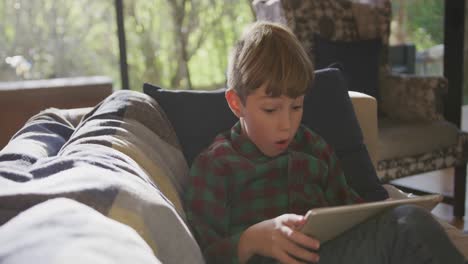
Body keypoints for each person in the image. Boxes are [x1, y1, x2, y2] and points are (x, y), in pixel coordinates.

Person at [183, 21, 466, 264]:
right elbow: (198, 252)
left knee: (408, 221)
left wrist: (381, 212)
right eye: (270, 110)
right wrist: (251, 240)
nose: (287, 124)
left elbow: (352, 212)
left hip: (329, 255)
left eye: (296, 107)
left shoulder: (313, 147)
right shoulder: (216, 165)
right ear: (236, 103)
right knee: (408, 226)